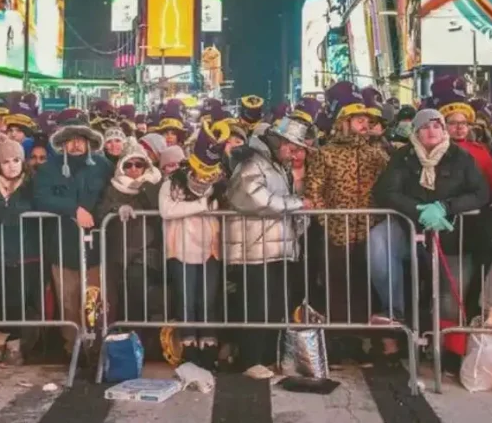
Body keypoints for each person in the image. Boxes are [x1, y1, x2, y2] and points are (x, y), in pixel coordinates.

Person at [375, 108, 489, 342]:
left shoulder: (461, 156)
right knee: (379, 241)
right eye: (425, 126)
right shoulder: (403, 156)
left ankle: (447, 349)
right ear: (416, 131)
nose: (432, 131)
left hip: (452, 236)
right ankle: (394, 314)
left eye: (437, 125)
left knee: (450, 295)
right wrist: (416, 210)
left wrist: (446, 207)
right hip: (411, 231)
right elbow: (386, 191)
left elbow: (480, 193)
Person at [303, 81, 394, 357]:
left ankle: (369, 340)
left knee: (367, 285)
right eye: (359, 119)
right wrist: (327, 221)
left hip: (370, 231)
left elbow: (387, 190)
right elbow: (313, 191)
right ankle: (341, 342)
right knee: (337, 286)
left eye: (367, 118)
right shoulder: (325, 154)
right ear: (344, 121)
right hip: (336, 233)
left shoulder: (377, 154)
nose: (365, 123)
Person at [226, 115, 313, 379]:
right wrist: (297, 204)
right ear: (279, 142)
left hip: (275, 247)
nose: (295, 154)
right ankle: (250, 359)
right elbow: (253, 198)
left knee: (275, 304)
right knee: (257, 305)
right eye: (292, 147)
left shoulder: (276, 166)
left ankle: (265, 357)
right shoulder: (252, 164)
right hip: (253, 248)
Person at [32, 108, 111, 361]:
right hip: (63, 245)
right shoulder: (49, 168)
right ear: (62, 142)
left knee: (94, 299)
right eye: (70, 139)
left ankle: (97, 346)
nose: (76, 144)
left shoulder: (103, 165)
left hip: (96, 245)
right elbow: (40, 197)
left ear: (88, 141)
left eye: (80, 138)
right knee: (68, 299)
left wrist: (97, 214)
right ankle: (72, 347)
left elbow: (111, 197)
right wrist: (73, 209)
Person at [158, 121, 227, 368]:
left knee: (207, 298)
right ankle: (188, 346)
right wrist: (200, 206)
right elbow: (167, 210)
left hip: (210, 248)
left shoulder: (219, 187)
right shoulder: (172, 183)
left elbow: (222, 210)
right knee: (186, 298)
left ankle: (208, 344)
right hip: (181, 249)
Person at [0, 134, 43, 368]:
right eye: (6, 161)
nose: (12, 166)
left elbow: (34, 205)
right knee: (0, 298)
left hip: (26, 252)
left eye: (16, 161)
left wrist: (9, 209)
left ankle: (12, 345)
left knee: (19, 300)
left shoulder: (31, 184)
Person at [97, 140, 163, 334]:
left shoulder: (156, 185)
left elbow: (158, 208)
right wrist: (117, 208)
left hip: (147, 250)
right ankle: (125, 339)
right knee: (120, 296)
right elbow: (101, 210)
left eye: (139, 164)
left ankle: (139, 336)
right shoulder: (112, 187)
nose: (134, 169)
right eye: (128, 164)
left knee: (137, 289)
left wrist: (143, 187)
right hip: (118, 250)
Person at [431, 76, 492, 201]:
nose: (459, 127)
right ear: (443, 125)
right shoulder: (429, 149)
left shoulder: (480, 152)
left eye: (464, 123)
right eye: (453, 123)